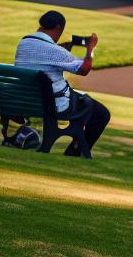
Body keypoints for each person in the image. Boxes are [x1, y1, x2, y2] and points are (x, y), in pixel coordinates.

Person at [13, 11, 111, 158]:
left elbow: (42, 58)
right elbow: (84, 69)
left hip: (27, 100)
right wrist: (90, 49)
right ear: (58, 28)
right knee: (102, 114)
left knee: (90, 107)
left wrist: (61, 50)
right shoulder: (55, 51)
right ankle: (75, 151)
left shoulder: (24, 43)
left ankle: (75, 149)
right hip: (55, 104)